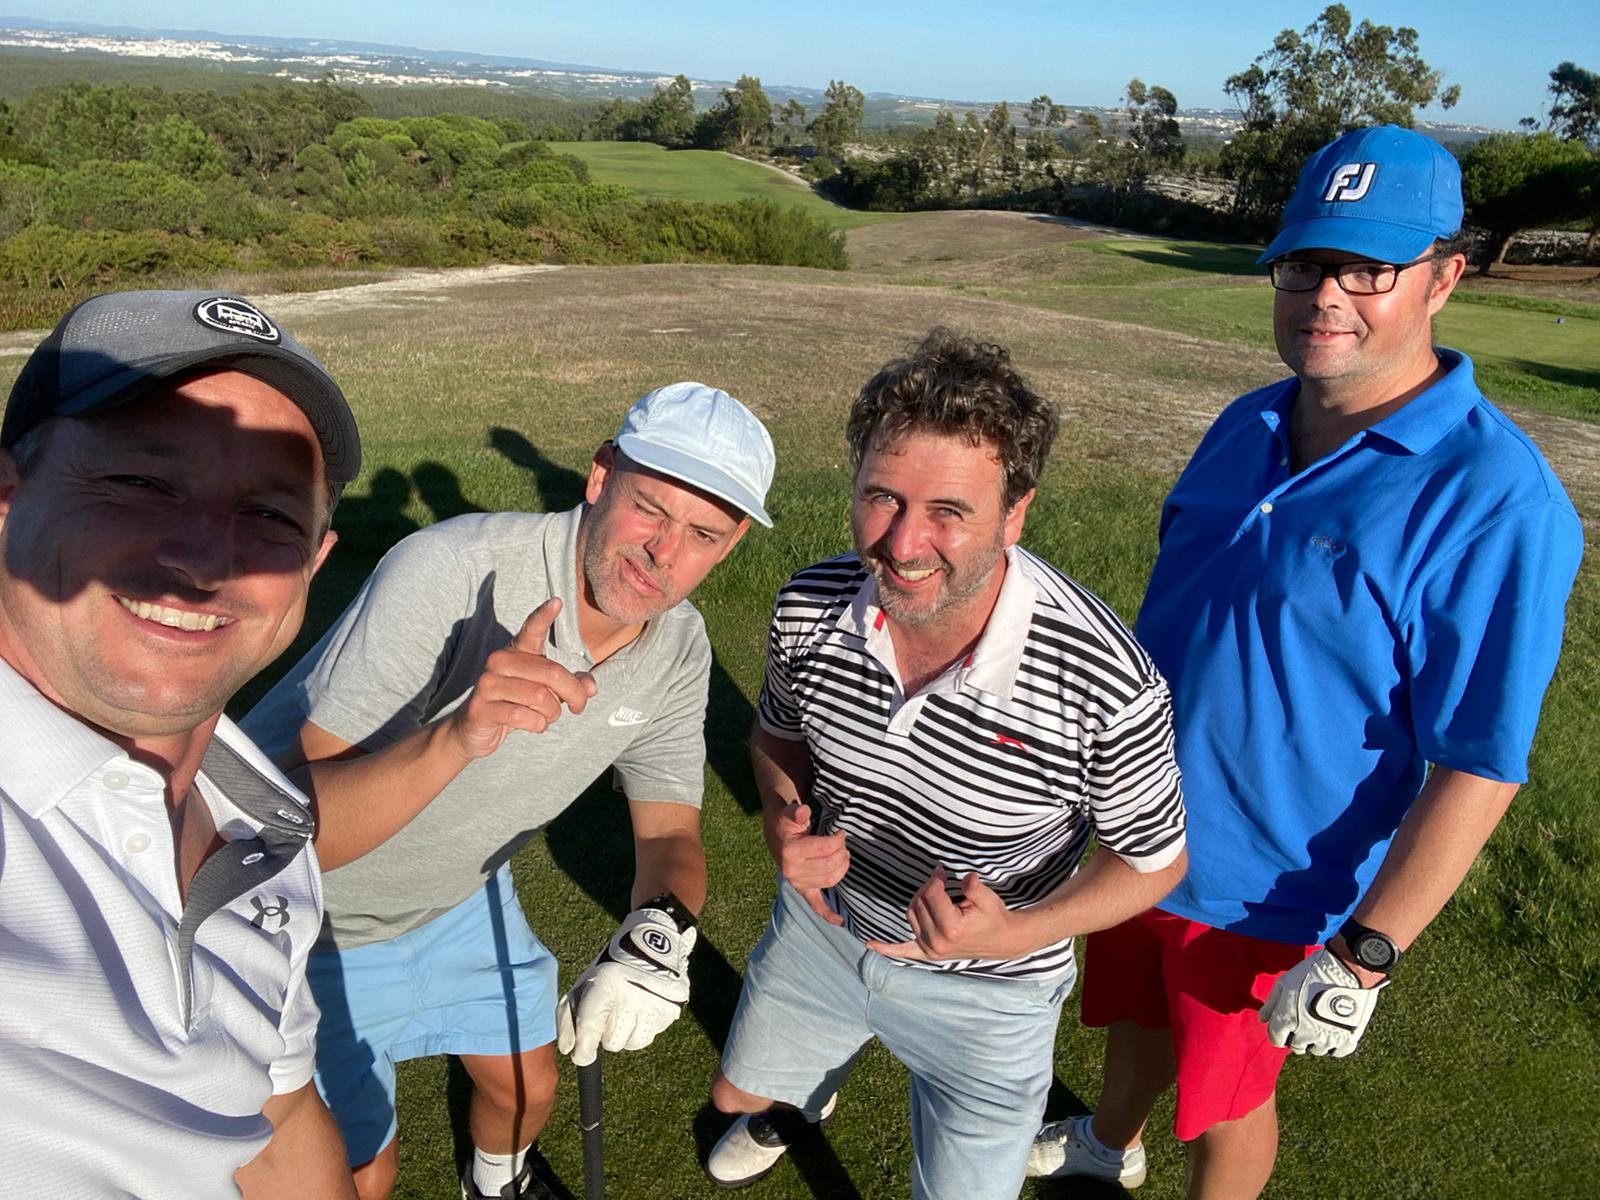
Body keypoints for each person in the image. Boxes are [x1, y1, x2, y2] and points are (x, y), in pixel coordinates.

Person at [1027, 126, 1584, 1198]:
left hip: (1269, 884)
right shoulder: (1248, 420)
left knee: (1227, 1104)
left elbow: (1481, 760)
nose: (1326, 295)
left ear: (1444, 278)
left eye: (1369, 268)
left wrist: (1367, 951)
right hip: (1137, 824)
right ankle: (1107, 1143)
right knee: (1134, 1015)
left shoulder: (1497, 501)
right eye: (1306, 263)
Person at [242, 382, 775, 1200]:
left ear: (730, 544)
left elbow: (669, 831)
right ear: (601, 475)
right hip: (299, 920)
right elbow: (287, 830)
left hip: (458, 895)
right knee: (362, 1173)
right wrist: (458, 736)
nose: (663, 553)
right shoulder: (451, 571)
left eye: (702, 534)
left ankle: (497, 1184)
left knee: (529, 1087)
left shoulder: (680, 648)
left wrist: (658, 935)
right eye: (649, 509)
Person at [705, 329, 1188, 1200]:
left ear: (1015, 513)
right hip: (826, 930)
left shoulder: (1106, 682)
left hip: (991, 991)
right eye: (882, 498)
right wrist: (781, 819)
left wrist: (1014, 934)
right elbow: (777, 739)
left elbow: (1154, 863)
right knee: (738, 1093)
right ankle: (802, 1100)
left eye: (948, 512)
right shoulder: (808, 603)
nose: (903, 544)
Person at [0, 290, 363, 1197]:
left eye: (272, 515)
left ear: (314, 563)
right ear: (7, 498)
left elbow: (277, 1119)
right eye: (140, 484)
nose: (205, 562)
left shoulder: (269, 831)